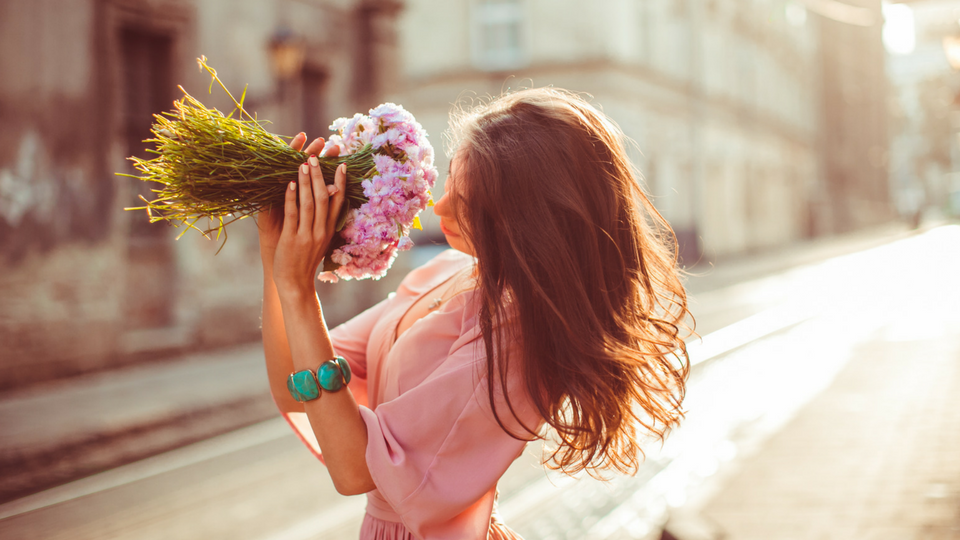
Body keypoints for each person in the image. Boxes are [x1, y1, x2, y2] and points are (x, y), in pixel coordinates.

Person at [256, 88, 692, 540]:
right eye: (450, 182)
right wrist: (275, 257)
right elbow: (294, 386)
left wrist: (298, 289)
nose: (438, 208)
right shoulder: (449, 271)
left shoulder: (512, 338)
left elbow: (353, 471)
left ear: (523, 220)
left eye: (468, 204)